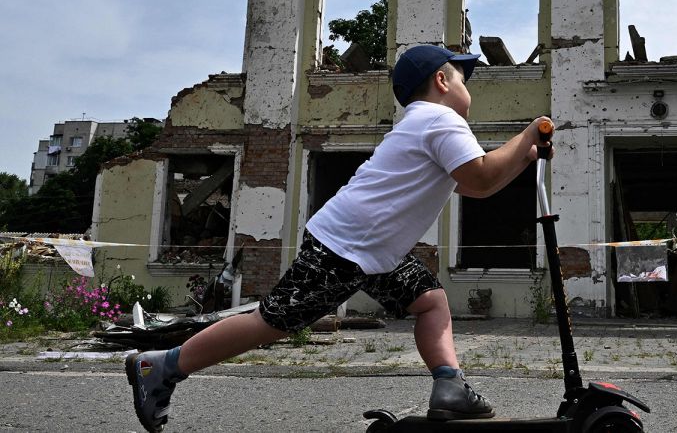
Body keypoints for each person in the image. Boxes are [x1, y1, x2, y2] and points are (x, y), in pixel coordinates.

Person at [125, 44, 553, 432]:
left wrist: (523, 156)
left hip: (372, 251)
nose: (466, 86)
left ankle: (449, 387)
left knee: (429, 299)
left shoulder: (423, 123)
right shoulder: (442, 120)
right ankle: (160, 366)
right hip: (346, 246)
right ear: (442, 80)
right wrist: (528, 134)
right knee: (270, 323)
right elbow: (479, 179)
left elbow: (473, 183)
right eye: (462, 77)